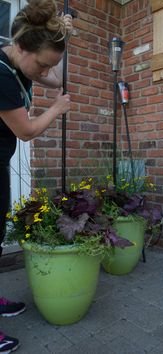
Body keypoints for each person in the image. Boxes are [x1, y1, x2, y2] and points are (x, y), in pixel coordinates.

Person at [0, 0, 72, 352]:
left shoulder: (19, 64)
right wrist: (56, 108)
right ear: (20, 47)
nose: (46, 70)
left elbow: (52, 77)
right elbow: (26, 131)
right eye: (42, 62)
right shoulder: (0, 74)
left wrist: (48, 64)